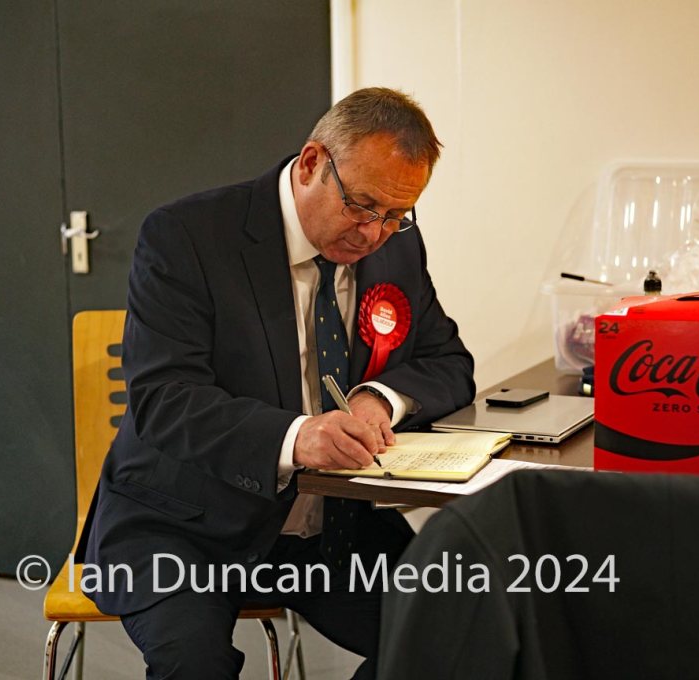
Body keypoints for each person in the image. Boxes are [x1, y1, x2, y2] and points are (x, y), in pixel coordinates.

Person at [76, 87, 475, 679]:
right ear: (313, 163)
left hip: (330, 527)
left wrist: (378, 397)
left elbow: (448, 362)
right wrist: (297, 438)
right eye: (363, 206)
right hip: (184, 524)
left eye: (396, 215)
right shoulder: (187, 236)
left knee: (458, 636)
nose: (373, 234)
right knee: (196, 664)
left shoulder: (396, 246)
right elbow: (164, 400)